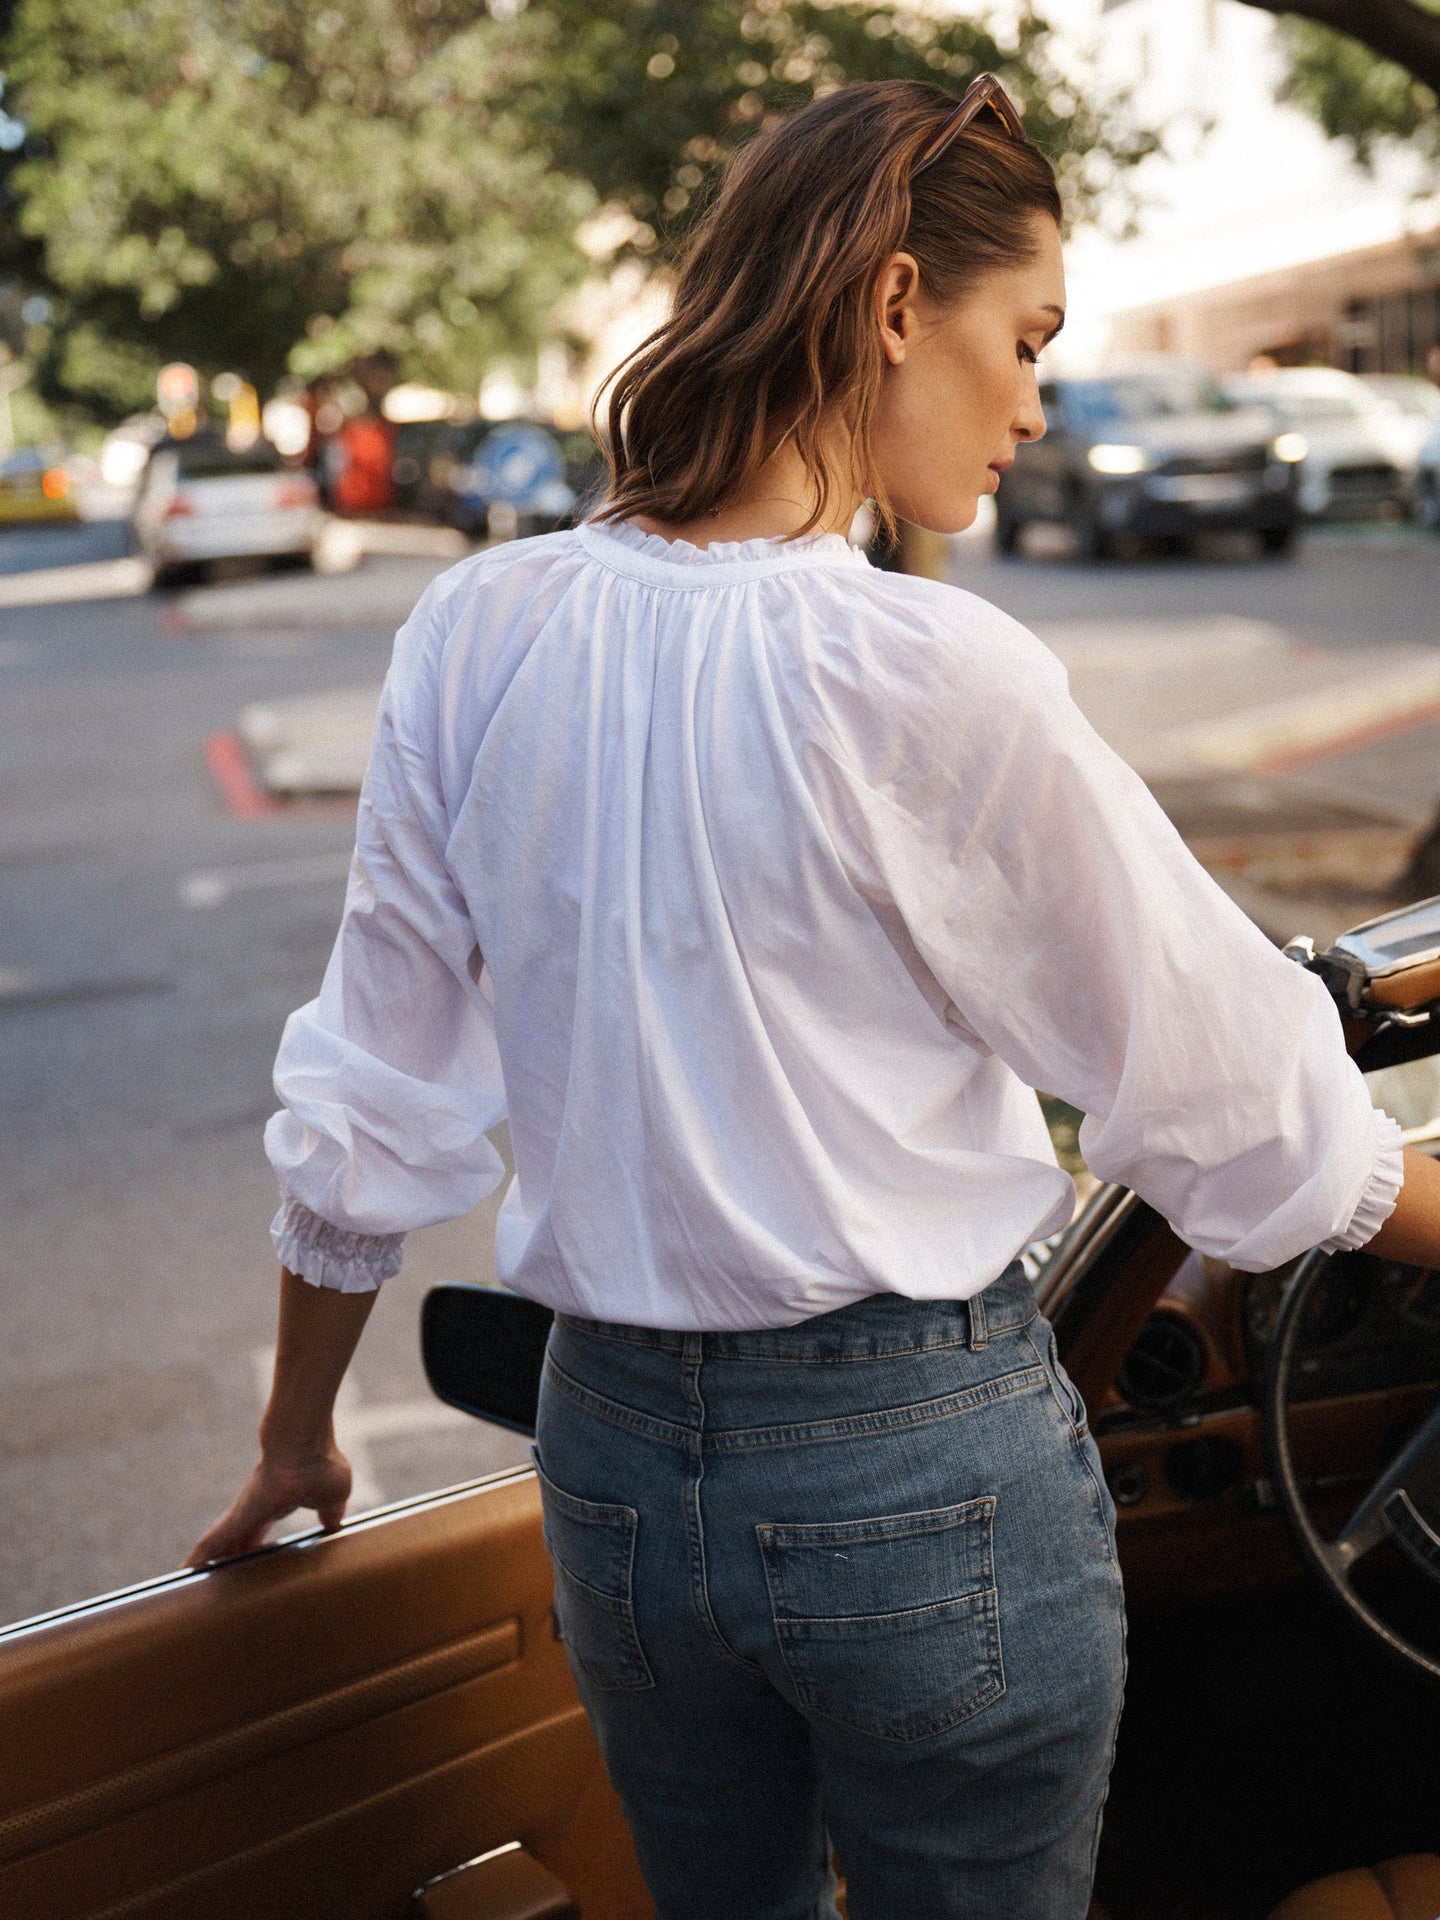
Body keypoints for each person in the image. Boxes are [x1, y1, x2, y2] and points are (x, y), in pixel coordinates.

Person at [191, 77, 1440, 1918]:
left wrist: (297, 1434)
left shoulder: (480, 628)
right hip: (915, 1473)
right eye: (1023, 340)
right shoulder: (929, 671)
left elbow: (374, 1086)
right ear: (887, 306)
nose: (1034, 405)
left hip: (609, 1468)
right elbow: (1234, 1096)